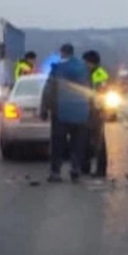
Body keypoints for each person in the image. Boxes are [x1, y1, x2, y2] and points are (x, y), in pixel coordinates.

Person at [40, 43, 91, 183]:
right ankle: (75, 169)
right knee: (78, 143)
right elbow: (89, 90)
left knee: (58, 143)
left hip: (61, 111)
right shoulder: (83, 68)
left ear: (62, 52)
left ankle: (55, 172)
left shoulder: (57, 68)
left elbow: (48, 91)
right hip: (81, 111)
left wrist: (44, 109)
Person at [82, 50, 109, 177]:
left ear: (91, 62)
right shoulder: (85, 73)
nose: (84, 64)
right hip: (86, 110)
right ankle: (85, 167)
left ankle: (100, 170)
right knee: (85, 140)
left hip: (97, 111)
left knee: (98, 141)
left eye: (86, 62)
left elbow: (102, 92)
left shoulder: (100, 75)